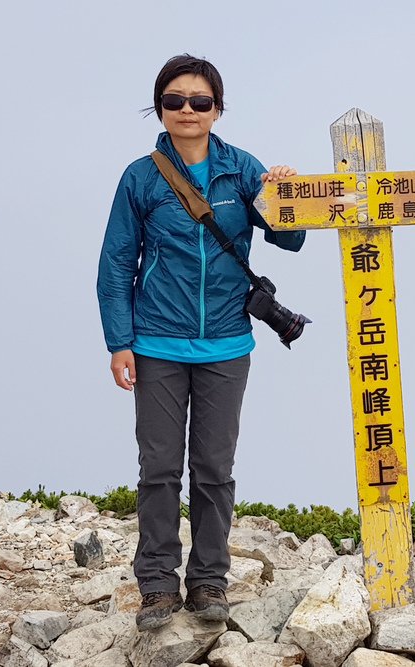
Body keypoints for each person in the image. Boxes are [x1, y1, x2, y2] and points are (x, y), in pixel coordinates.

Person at [96, 54, 305, 631]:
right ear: (160, 107)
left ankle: (209, 582)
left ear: (218, 108)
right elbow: (116, 264)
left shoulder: (244, 170)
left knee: (214, 468)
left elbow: (290, 240)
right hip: (157, 341)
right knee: (159, 468)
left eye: (200, 101)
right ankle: (158, 588)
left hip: (228, 344)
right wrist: (120, 341)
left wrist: (282, 195)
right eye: (175, 101)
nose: (188, 111)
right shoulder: (140, 177)